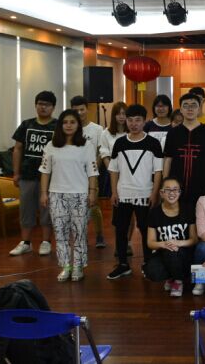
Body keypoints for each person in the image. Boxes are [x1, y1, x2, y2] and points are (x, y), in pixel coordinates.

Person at [39, 109, 99, 282]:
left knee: (79, 233)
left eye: (73, 122)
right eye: (65, 122)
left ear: (78, 125)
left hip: (80, 195)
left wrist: (92, 192)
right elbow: (45, 171)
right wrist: (44, 193)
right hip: (56, 195)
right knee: (60, 233)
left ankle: (78, 267)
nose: (69, 125)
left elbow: (92, 172)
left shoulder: (86, 146)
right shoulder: (51, 145)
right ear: (60, 125)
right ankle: (66, 266)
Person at [106, 104, 163, 280]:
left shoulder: (153, 143)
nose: (133, 124)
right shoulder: (119, 143)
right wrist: (114, 192)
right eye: (130, 120)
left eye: (138, 120)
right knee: (121, 229)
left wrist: (154, 193)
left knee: (145, 229)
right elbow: (114, 170)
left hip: (145, 194)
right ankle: (123, 264)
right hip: (123, 194)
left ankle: (147, 263)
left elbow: (158, 171)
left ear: (144, 121)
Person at [9, 90, 58, 257]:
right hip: (27, 175)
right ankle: (26, 243)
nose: (43, 107)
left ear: (53, 107)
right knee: (26, 209)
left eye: (47, 105)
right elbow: (17, 149)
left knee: (47, 210)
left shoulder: (58, 126)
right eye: (40, 104)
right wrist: (16, 173)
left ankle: (46, 242)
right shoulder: (26, 124)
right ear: (36, 105)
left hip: (51, 178)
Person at [163, 92, 205, 211]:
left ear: (199, 109)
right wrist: (165, 184)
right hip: (175, 186)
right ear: (181, 110)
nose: (190, 109)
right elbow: (168, 159)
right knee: (176, 215)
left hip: (201, 184)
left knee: (199, 217)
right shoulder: (173, 133)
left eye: (193, 105)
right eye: (186, 105)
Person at [146, 177, 198, 298]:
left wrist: (178, 243)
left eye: (175, 190)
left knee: (173, 252)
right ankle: (172, 277)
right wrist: (164, 244)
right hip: (163, 252)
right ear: (161, 193)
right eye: (168, 190)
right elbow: (150, 242)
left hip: (184, 253)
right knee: (152, 271)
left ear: (180, 192)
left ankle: (178, 281)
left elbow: (194, 239)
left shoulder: (188, 210)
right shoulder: (154, 213)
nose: (172, 193)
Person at [71, 95, 106, 248]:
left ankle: (99, 235)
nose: (79, 113)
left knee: (93, 205)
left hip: (91, 175)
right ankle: (80, 236)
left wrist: (93, 170)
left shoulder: (97, 129)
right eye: (76, 110)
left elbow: (100, 151)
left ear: (87, 109)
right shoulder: (69, 128)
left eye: (82, 109)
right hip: (72, 175)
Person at [99, 102, 131, 258]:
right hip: (114, 176)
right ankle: (120, 243)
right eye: (119, 113)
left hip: (132, 176)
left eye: (124, 113)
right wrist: (112, 170)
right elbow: (104, 153)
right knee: (118, 213)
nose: (121, 117)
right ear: (114, 115)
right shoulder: (106, 133)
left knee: (131, 212)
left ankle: (128, 243)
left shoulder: (132, 132)